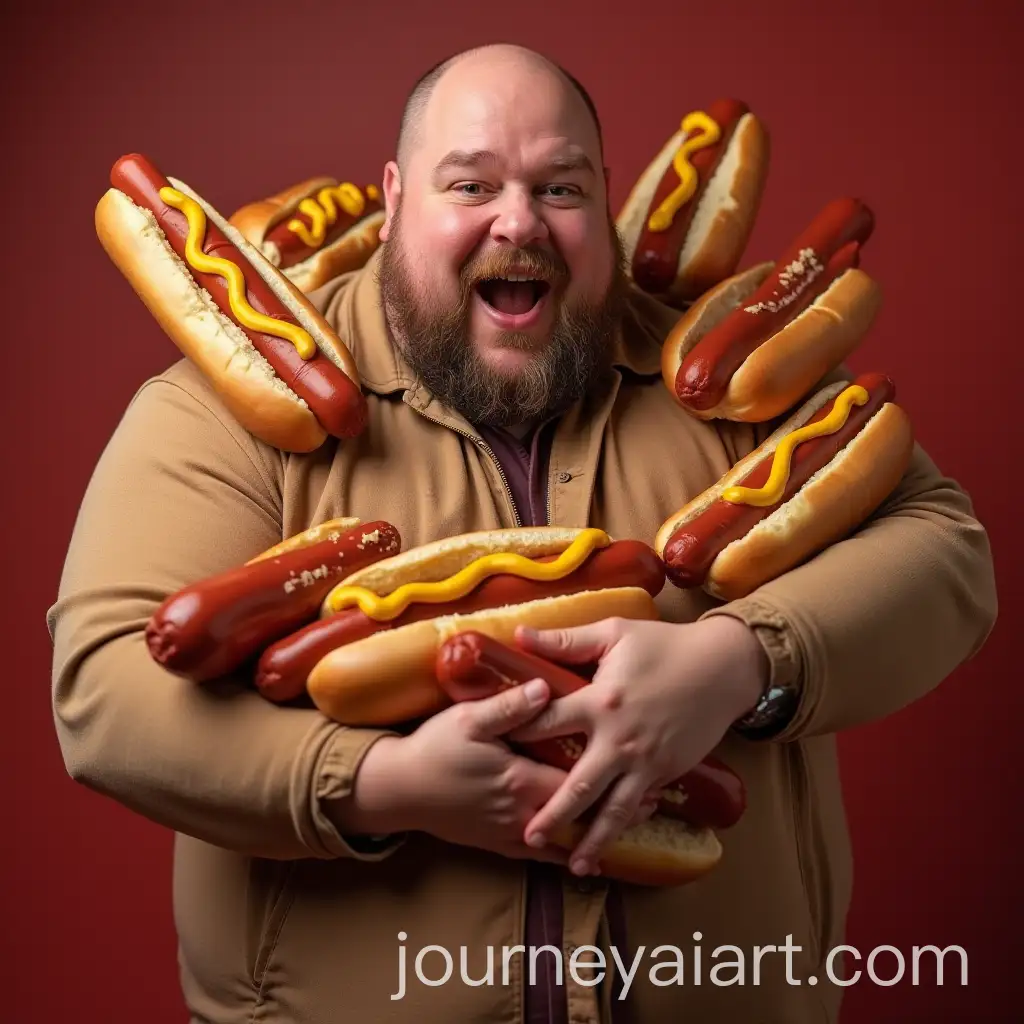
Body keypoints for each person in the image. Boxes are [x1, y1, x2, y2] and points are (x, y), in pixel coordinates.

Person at [48, 42, 996, 1024]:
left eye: (558, 186)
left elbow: (947, 554)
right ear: (395, 197)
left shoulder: (739, 368)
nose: (518, 221)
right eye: (471, 183)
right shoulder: (228, 403)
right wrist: (383, 783)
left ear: (603, 200)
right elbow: (103, 688)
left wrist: (737, 661)